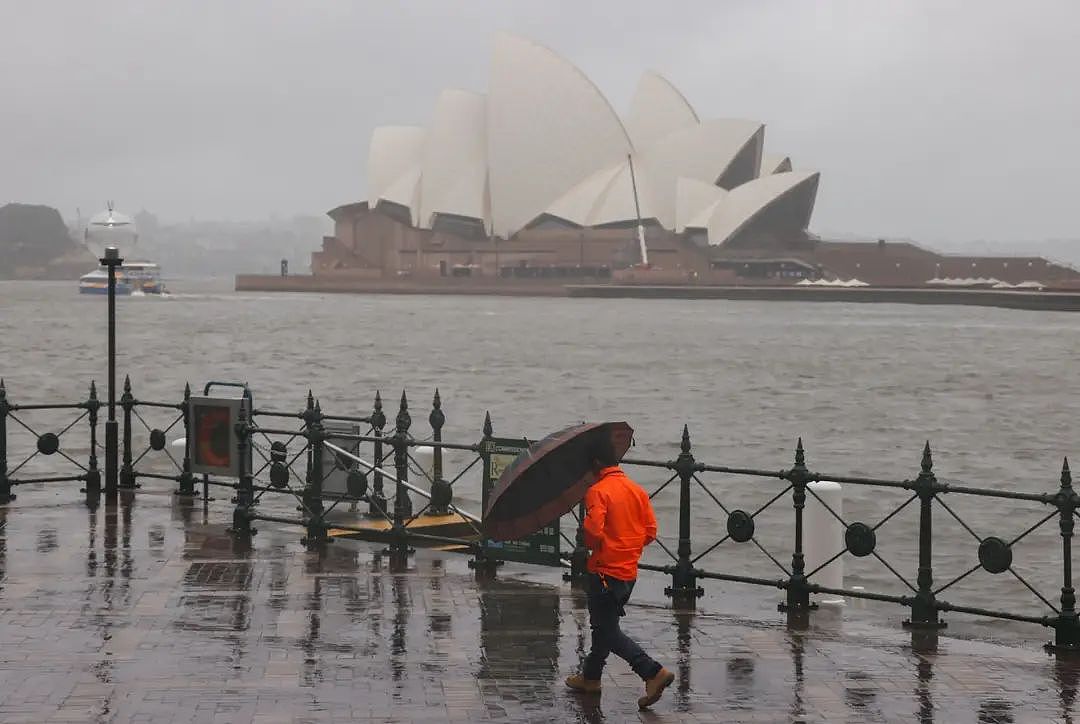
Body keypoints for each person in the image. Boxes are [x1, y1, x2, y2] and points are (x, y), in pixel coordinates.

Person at [565, 435, 675, 709]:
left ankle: (652, 672)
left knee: (606, 630)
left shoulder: (598, 491)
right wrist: (626, 546)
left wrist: (595, 539)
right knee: (605, 626)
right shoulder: (636, 490)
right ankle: (591, 677)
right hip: (629, 574)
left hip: (603, 572)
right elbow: (650, 531)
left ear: (596, 463)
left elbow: (592, 534)